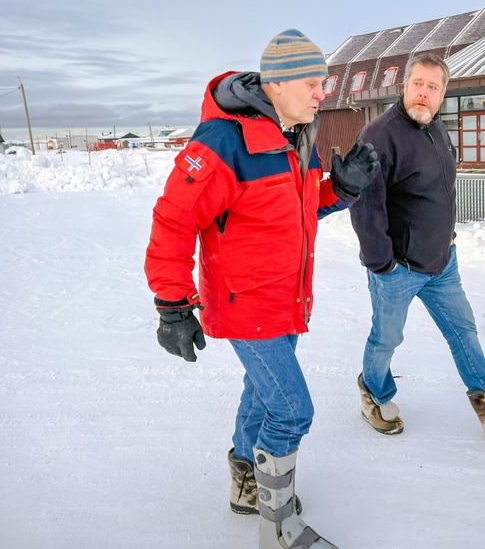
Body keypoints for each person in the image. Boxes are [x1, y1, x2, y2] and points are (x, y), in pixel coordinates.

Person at [144, 29, 379, 549]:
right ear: (275, 83)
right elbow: (173, 222)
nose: (323, 93)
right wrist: (172, 304)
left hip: (286, 298)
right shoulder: (222, 142)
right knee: (293, 409)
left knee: (261, 394)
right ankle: (277, 526)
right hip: (244, 303)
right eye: (313, 83)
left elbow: (297, 209)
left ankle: (248, 480)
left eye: (324, 83)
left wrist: (341, 189)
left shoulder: (299, 135)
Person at [349, 52, 485, 441]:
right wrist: (382, 263)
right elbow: (365, 206)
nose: (424, 93)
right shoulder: (379, 135)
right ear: (404, 86)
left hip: (442, 263)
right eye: (417, 84)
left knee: (463, 330)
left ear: (443, 94)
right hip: (398, 268)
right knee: (387, 339)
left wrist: (445, 245)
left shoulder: (437, 130)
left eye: (432, 87)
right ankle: (375, 394)